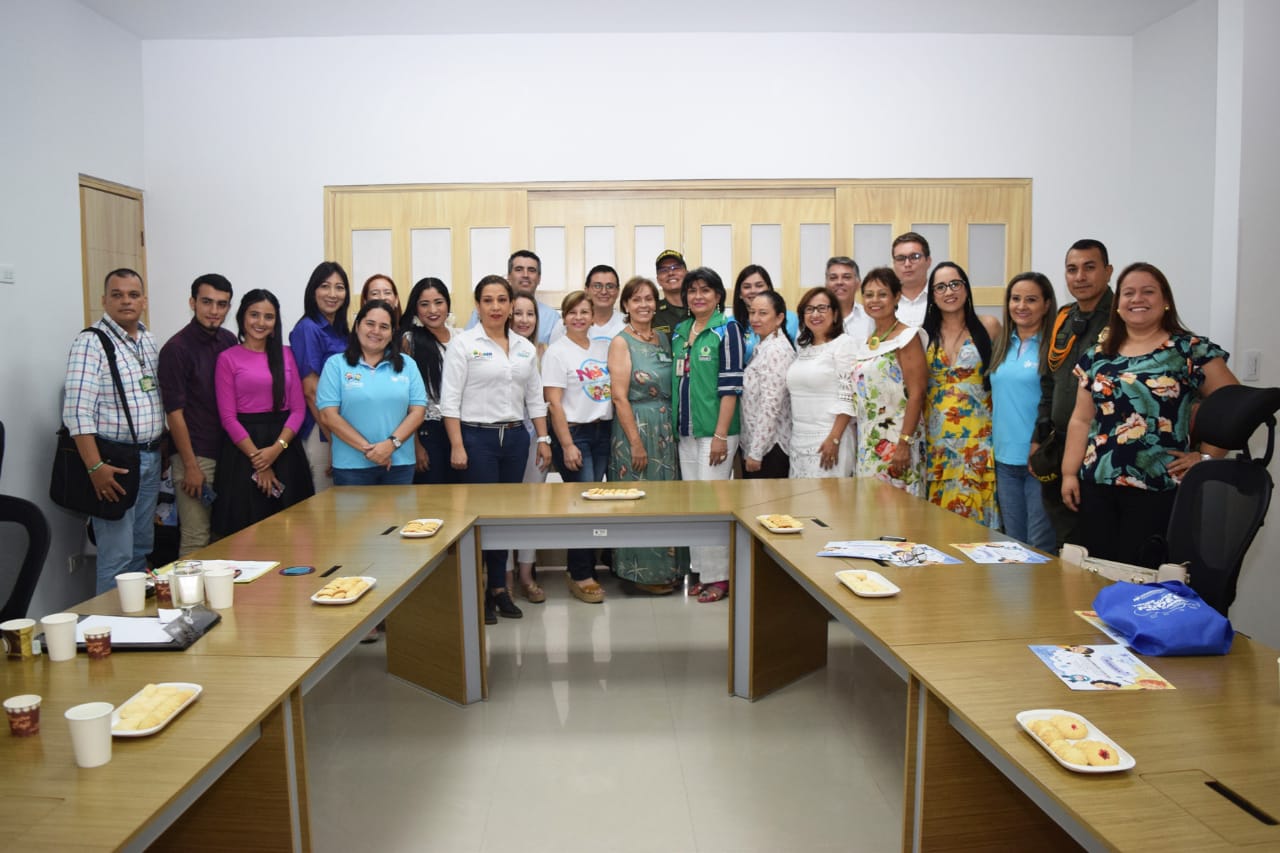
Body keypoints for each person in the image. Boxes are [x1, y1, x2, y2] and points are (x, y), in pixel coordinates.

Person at [1061, 262, 1237, 568]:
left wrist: (1207, 457)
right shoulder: (1098, 355)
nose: (1137, 299)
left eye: (1148, 292)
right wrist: (1068, 474)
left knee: (1144, 577)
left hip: (1159, 487)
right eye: (1128, 293)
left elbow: (1233, 405)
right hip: (1097, 484)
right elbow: (1081, 418)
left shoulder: (1189, 350)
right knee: (1094, 577)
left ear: (1165, 300)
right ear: (1118, 305)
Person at [441, 275, 551, 624]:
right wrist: (457, 445)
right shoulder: (463, 344)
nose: (495, 307)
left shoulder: (524, 347)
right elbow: (450, 401)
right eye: (487, 300)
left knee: (504, 516)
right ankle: (479, 589)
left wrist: (544, 439)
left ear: (511, 305)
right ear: (477, 305)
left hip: (515, 439)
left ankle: (499, 589)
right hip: (477, 440)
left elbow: (535, 398)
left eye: (502, 300)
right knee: (481, 517)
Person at [63, 269, 164, 593]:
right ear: (104, 300)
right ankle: (107, 622)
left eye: (133, 295)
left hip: (150, 458)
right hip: (114, 463)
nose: (126, 301)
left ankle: (134, 619)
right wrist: (95, 467)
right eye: (117, 295)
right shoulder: (90, 343)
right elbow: (77, 413)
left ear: (144, 301)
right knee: (116, 556)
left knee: (141, 549)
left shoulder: (148, 341)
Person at [212, 289, 314, 535]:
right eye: (254, 315)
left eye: (268, 317)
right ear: (242, 317)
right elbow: (228, 418)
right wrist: (260, 462)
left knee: (296, 532)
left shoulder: (286, 354)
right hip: (243, 452)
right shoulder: (227, 358)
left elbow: (298, 410)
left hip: (285, 450)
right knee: (247, 532)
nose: (261, 322)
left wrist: (276, 449)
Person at [1034, 239, 1115, 549]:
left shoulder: (1123, 319)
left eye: (1089, 268)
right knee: (1065, 540)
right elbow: (1049, 383)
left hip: (1102, 449)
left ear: (1108, 271)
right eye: (1072, 269)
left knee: (1099, 543)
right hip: (1061, 445)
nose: (1080, 276)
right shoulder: (1065, 319)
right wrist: (1039, 438)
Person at [608, 276, 684, 593]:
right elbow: (619, 397)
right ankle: (640, 574)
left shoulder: (663, 340)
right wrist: (636, 443)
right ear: (626, 305)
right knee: (638, 500)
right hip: (636, 428)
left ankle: (668, 570)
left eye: (649, 299)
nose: (643, 304)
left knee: (666, 500)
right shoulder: (621, 342)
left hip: (665, 429)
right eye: (636, 299)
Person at [672, 267, 743, 603]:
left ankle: (720, 577)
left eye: (705, 290)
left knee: (712, 505)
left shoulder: (727, 330)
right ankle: (701, 572)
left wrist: (720, 435)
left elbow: (731, 387)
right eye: (692, 290)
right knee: (694, 505)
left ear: (718, 296)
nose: (698, 296)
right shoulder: (680, 332)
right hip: (686, 431)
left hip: (716, 433)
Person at [158, 273, 235, 556]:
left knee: (224, 537)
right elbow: (174, 414)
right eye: (207, 302)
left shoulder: (229, 341)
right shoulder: (176, 349)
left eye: (221, 304)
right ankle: (188, 589)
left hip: (227, 454)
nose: (214, 310)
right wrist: (190, 466)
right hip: (195, 456)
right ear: (192, 303)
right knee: (196, 538)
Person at [544, 291, 614, 603]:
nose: (579, 317)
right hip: (575, 434)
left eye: (584, 312)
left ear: (593, 316)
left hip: (603, 432)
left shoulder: (603, 347)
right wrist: (567, 445)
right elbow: (554, 404)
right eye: (572, 312)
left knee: (593, 503)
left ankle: (584, 566)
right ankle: (580, 573)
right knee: (583, 504)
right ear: (564, 317)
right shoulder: (557, 352)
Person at [921, 262, 1001, 527]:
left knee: (979, 528)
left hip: (979, 440)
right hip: (938, 443)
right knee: (940, 526)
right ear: (932, 295)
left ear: (966, 288)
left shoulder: (989, 326)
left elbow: (1002, 381)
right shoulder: (923, 335)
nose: (949, 291)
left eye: (955, 284)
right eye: (941, 287)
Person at [316, 300, 426, 486]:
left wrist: (390, 445)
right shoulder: (336, 365)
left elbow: (418, 412)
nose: (376, 331)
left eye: (384, 327)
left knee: (401, 508)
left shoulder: (408, 365)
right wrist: (370, 450)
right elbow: (328, 416)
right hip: (351, 466)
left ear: (392, 333)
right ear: (357, 326)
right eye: (370, 324)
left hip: (399, 465)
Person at [990, 272, 1057, 551]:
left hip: (1039, 461)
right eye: (1015, 299)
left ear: (1046, 304)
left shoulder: (1053, 349)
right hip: (1004, 460)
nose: (1021, 306)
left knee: (1039, 546)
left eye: (1031, 300)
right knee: (1014, 545)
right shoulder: (1001, 345)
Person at [848, 267, 927, 495]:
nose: (875, 300)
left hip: (898, 441)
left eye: (882, 294)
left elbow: (917, 394)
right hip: (869, 442)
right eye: (869, 295)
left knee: (899, 511)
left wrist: (904, 443)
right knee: (869, 509)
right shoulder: (868, 341)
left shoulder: (907, 337)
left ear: (896, 297)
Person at [289, 261, 351, 493]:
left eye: (339, 287)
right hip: (321, 427)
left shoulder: (341, 330)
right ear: (313, 290)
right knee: (325, 498)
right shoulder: (308, 328)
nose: (333, 294)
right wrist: (334, 440)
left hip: (341, 423)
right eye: (325, 286)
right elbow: (311, 390)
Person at [787, 286, 857, 478]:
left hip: (829, 439)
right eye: (809, 309)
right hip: (799, 441)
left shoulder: (844, 344)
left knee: (828, 496)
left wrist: (834, 439)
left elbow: (848, 397)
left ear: (835, 314)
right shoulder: (803, 349)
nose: (815, 314)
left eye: (822, 308)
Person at [400, 277, 460, 485]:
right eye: (424, 304)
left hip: (459, 428)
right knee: (431, 495)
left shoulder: (461, 338)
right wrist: (415, 444)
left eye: (438, 302)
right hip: (426, 430)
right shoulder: (409, 341)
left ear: (447, 304)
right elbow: (404, 397)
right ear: (415, 308)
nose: (432, 310)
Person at [740, 291, 796, 479]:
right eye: (752, 312)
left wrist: (756, 452)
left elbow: (771, 405)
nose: (755, 319)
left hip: (770, 449)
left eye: (763, 313)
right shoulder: (764, 347)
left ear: (779, 318)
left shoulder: (775, 350)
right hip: (760, 446)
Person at [466, 250, 563, 345]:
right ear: (509, 276)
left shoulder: (552, 318)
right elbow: (468, 345)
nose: (525, 275)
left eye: (531, 270)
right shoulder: (485, 311)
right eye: (519, 269)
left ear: (539, 278)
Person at [731, 264, 799, 361]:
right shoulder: (731, 324)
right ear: (740, 294)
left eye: (759, 285)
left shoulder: (792, 319)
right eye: (747, 287)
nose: (753, 291)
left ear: (769, 289)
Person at [891, 232, 933, 327]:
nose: (907, 264)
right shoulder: (885, 301)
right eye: (900, 258)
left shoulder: (941, 297)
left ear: (928, 261)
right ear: (894, 264)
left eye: (914, 257)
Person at [825, 256, 871, 341]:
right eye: (833, 278)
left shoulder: (870, 318)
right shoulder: (814, 318)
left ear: (858, 284)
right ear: (826, 285)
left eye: (846, 277)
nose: (839, 282)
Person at [652, 249, 690, 337]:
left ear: (687, 274)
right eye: (663, 270)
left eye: (676, 268)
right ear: (658, 280)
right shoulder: (652, 312)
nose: (670, 273)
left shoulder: (700, 307)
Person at [585, 264, 626, 342]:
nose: (604, 292)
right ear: (586, 290)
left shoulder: (628, 324)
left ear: (618, 291)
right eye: (597, 286)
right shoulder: (570, 323)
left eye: (610, 287)